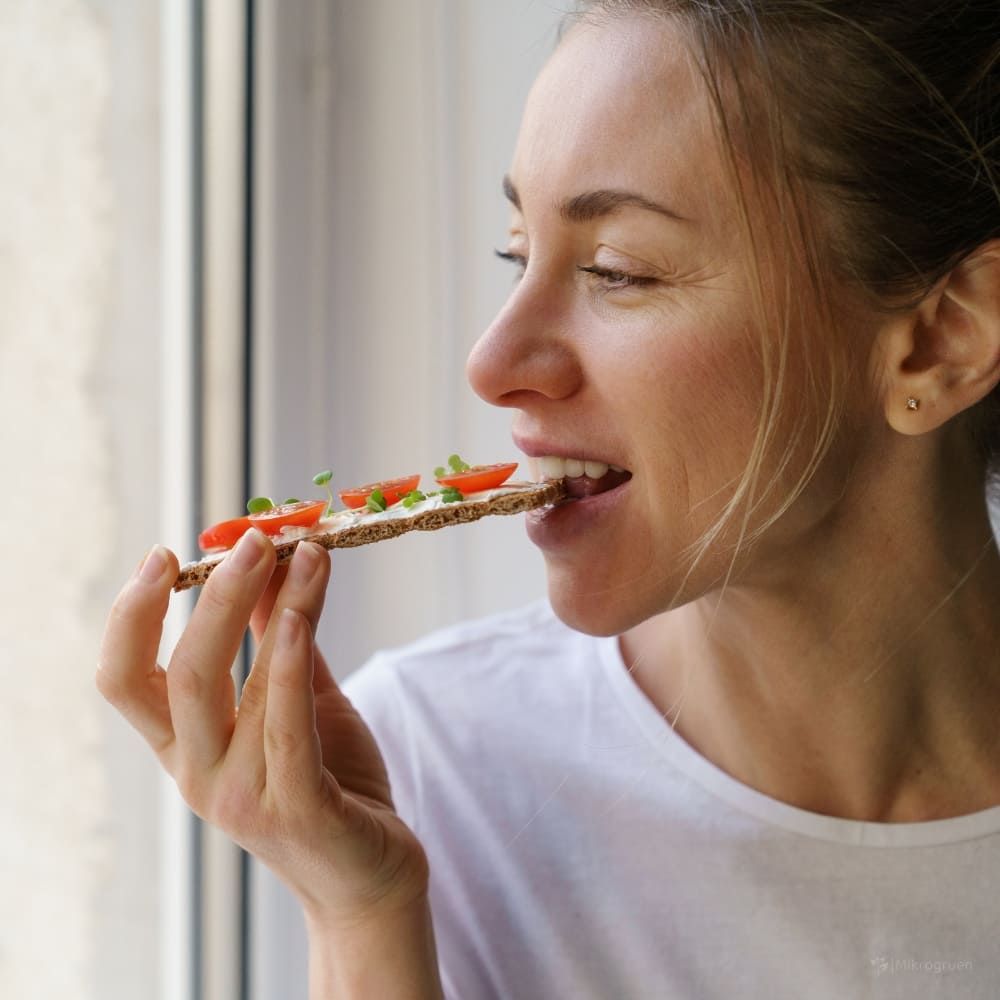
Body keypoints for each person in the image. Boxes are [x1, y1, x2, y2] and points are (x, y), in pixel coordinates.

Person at [98, 1, 1000, 996]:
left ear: (941, 341)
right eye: (514, 252)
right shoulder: (423, 768)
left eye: (618, 270)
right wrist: (360, 917)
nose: (491, 365)